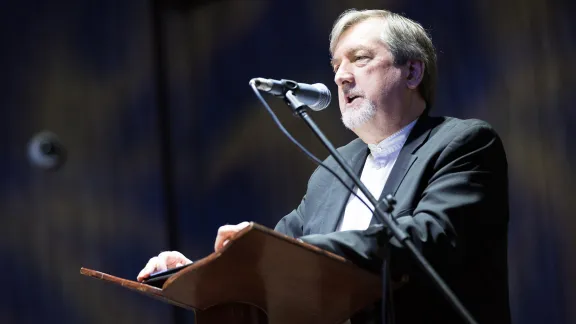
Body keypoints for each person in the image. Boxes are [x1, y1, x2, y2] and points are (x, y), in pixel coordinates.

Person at [137, 9, 511, 324]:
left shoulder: (464, 143)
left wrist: (308, 252)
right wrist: (198, 272)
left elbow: (429, 239)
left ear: (412, 72)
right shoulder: (332, 171)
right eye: (336, 65)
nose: (340, 76)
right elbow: (273, 257)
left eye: (360, 58)